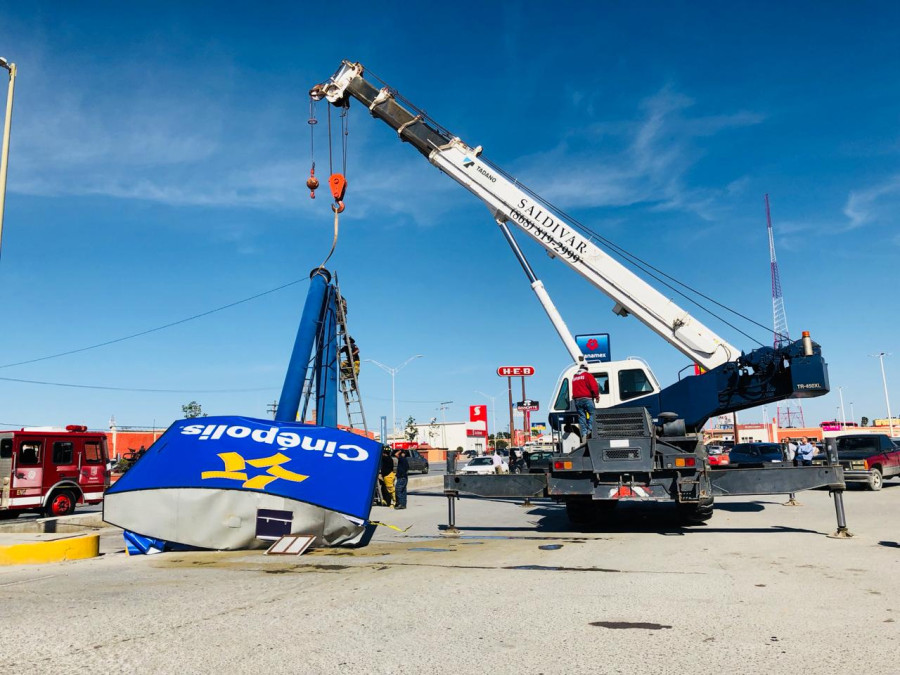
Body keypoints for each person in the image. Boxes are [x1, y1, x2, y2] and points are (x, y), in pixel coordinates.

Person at [572, 363, 600, 439]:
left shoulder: (574, 377)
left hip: (577, 400)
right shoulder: (588, 375)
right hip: (587, 399)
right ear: (586, 369)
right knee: (593, 413)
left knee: (582, 416)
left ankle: (584, 433)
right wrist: (596, 396)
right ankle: (590, 430)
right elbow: (594, 387)